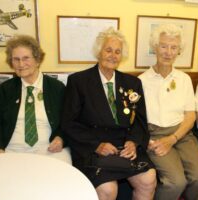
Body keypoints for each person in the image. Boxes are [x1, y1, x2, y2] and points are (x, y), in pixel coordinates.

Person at [61, 27, 156, 200]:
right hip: (93, 147)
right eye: (108, 50)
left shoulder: (132, 83)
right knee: (108, 189)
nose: (113, 55)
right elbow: (69, 123)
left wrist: (133, 142)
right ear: (99, 52)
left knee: (148, 180)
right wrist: (96, 145)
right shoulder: (79, 81)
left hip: (125, 146)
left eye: (117, 52)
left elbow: (140, 121)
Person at [139, 24, 198, 200]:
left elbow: (190, 115)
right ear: (155, 47)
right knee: (175, 182)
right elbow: (136, 119)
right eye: (163, 46)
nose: (168, 52)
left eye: (173, 47)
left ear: (179, 51)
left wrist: (173, 138)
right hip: (155, 136)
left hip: (182, 134)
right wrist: (147, 139)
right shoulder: (141, 81)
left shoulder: (184, 79)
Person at [0, 35, 71, 163]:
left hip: (49, 150)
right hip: (11, 150)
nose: (21, 64)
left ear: (37, 59)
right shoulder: (6, 89)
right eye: (16, 59)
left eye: (26, 58)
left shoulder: (56, 87)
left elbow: (69, 120)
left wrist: (60, 138)